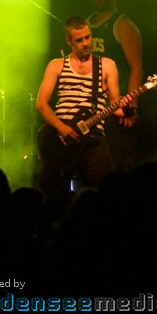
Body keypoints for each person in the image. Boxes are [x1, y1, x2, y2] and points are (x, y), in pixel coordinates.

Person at [35, 16, 129, 194]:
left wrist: (128, 109)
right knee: (48, 193)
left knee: (105, 191)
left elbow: (115, 106)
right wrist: (62, 128)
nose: (86, 43)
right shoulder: (56, 65)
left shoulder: (107, 65)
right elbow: (41, 105)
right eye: (79, 40)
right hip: (60, 138)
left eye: (88, 37)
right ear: (69, 41)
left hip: (93, 137)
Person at [87, 0, 142, 171]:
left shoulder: (122, 25)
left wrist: (130, 107)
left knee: (117, 166)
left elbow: (136, 67)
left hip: (116, 108)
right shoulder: (85, 27)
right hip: (89, 109)